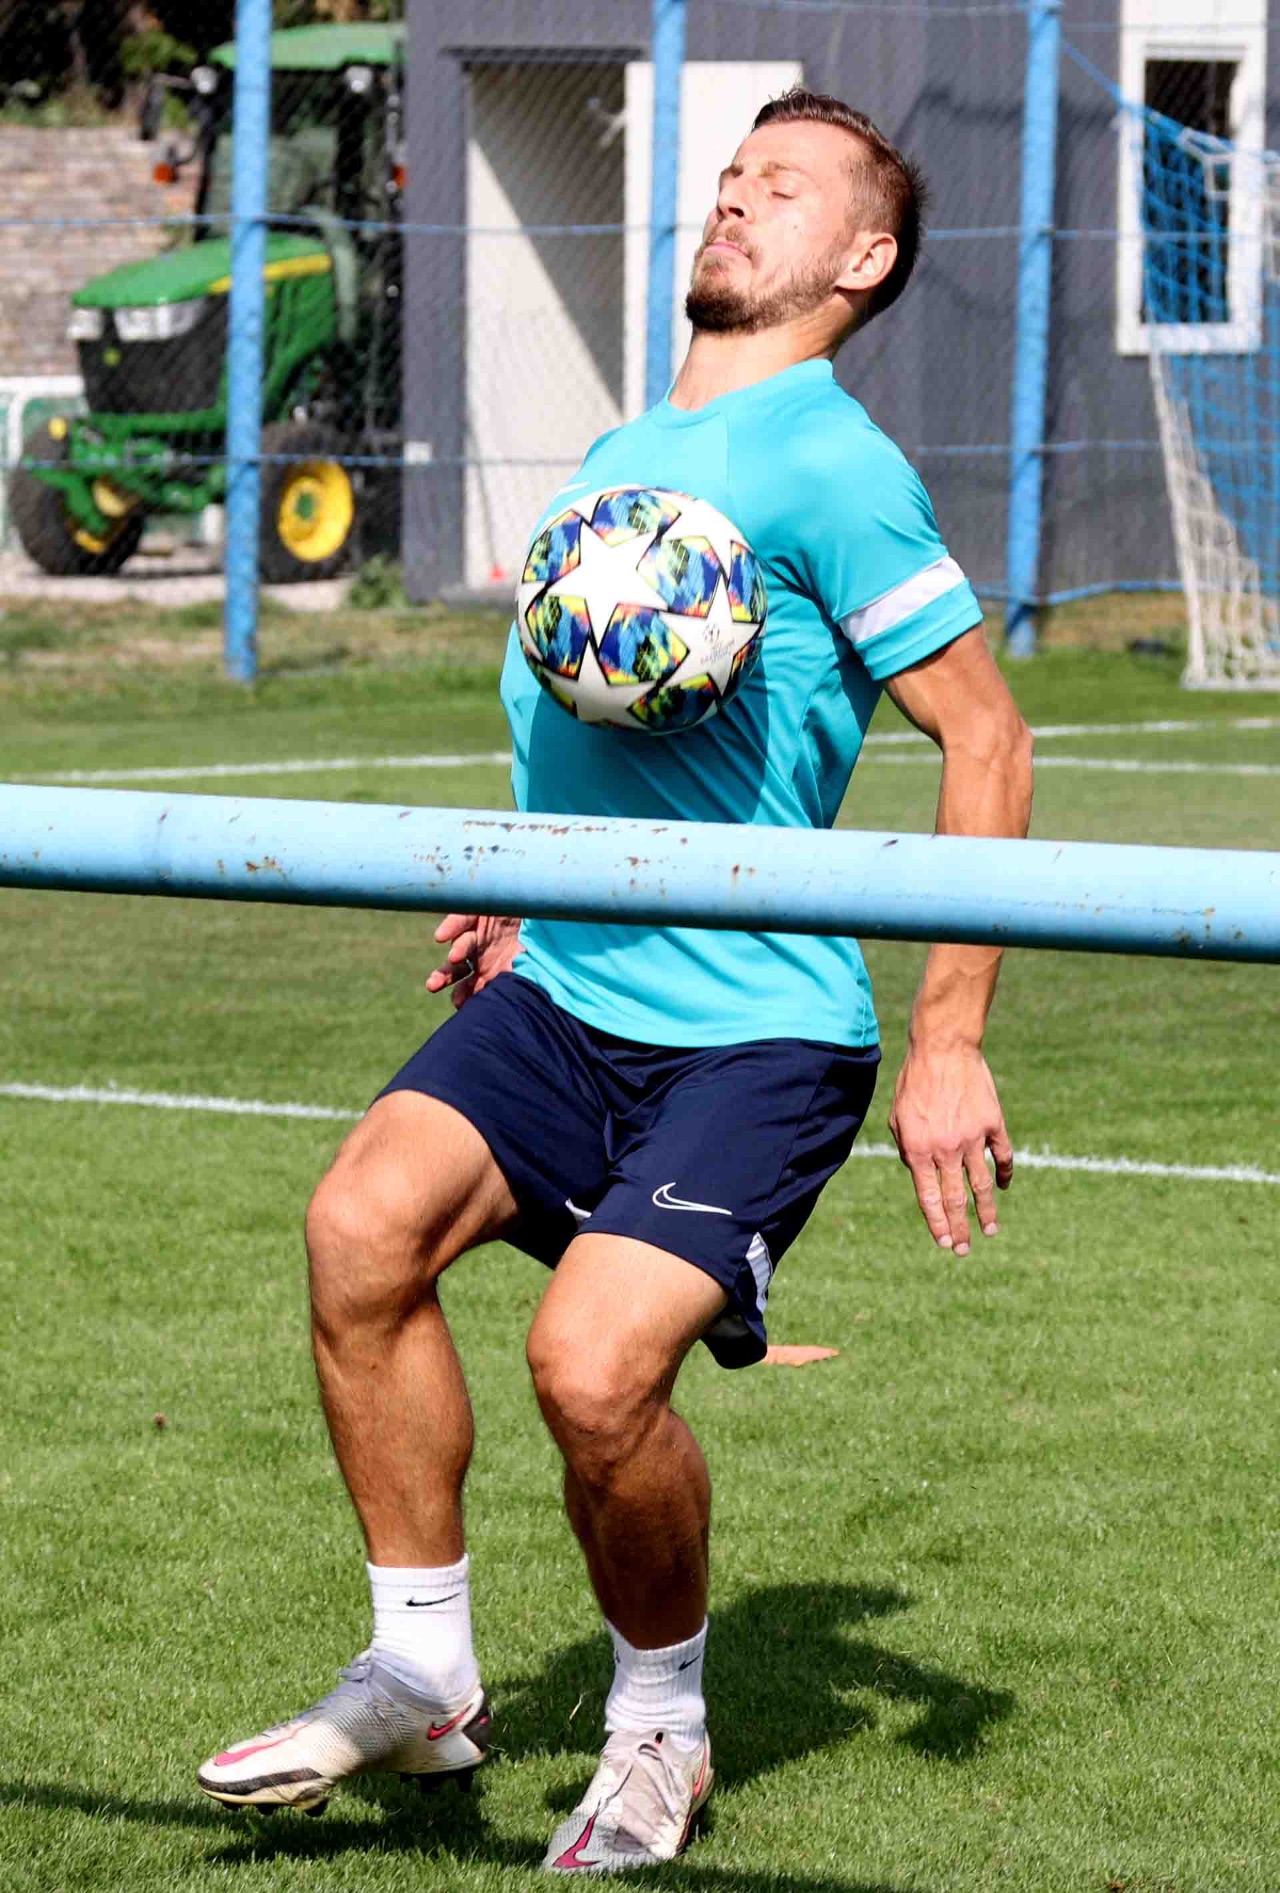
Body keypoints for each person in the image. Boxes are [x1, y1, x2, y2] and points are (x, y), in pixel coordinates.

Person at [197, 88, 1034, 1873]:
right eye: (730, 177)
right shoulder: (621, 452)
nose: (733, 201)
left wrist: (950, 1032)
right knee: (359, 1231)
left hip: (755, 1032)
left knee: (590, 1372)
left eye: (781, 187)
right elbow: (571, 732)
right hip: (565, 989)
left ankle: (661, 1721)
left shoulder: (833, 466)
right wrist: (523, 888)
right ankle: (423, 1669)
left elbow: (989, 739)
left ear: (863, 258)